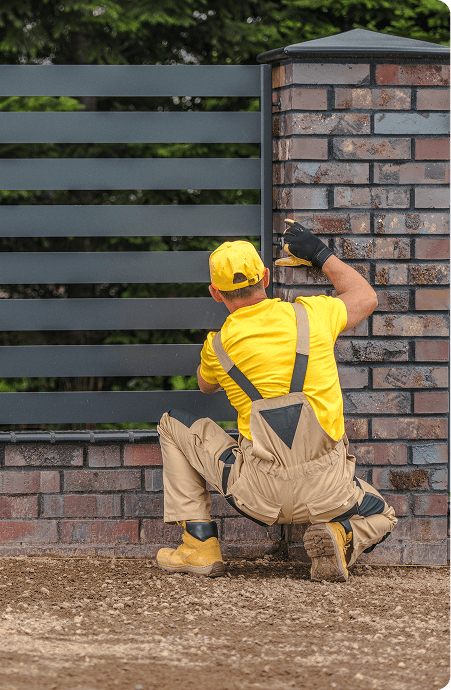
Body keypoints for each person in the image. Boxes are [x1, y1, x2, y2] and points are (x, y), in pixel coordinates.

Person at [156, 220, 397, 582]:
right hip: (329, 494)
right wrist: (319, 254)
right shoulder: (313, 315)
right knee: (383, 515)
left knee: (171, 423)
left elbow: (205, 386)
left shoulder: (217, 346)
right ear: (266, 278)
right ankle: (341, 534)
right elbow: (366, 297)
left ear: (216, 293)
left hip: (258, 496)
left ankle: (199, 544)